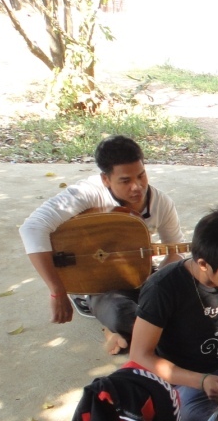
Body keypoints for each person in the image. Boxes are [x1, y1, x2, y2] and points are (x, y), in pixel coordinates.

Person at [18, 135, 185, 355]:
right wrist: (57, 291)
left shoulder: (162, 203)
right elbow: (32, 228)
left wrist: (155, 284)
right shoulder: (86, 193)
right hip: (97, 285)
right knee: (125, 315)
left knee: (188, 303)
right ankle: (114, 327)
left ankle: (117, 334)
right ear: (105, 179)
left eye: (141, 175)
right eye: (125, 181)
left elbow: (175, 251)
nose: (137, 187)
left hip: (140, 273)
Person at [129, 204, 218, 421]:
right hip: (181, 381)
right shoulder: (162, 288)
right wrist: (200, 381)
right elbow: (140, 354)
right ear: (203, 264)